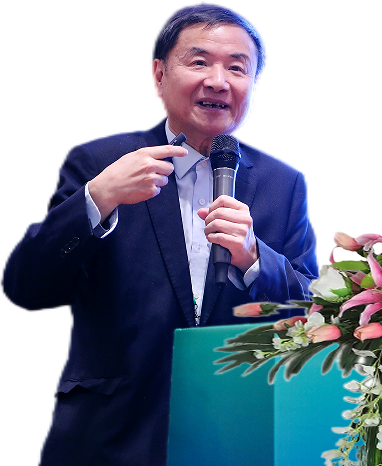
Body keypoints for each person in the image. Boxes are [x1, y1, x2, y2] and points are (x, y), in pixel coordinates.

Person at [3, 4, 318, 465]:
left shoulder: (281, 183)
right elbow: (26, 286)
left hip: (235, 431)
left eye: (237, 68)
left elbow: (313, 312)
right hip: (111, 434)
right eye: (199, 62)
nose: (218, 81)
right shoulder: (101, 163)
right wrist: (97, 199)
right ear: (158, 75)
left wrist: (255, 259)